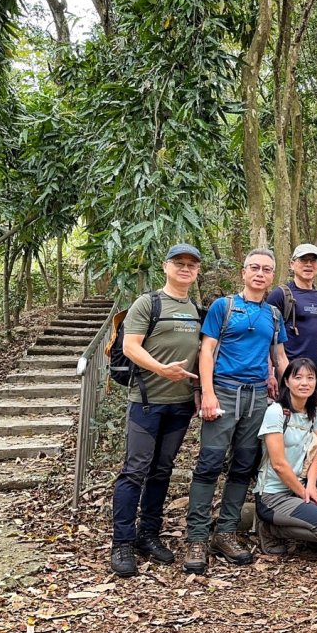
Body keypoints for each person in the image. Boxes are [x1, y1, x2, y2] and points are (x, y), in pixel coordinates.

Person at [182, 248, 289, 575]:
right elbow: (207, 351)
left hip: (256, 397)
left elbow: (280, 358)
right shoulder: (223, 306)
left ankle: (226, 532)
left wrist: (295, 395)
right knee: (210, 462)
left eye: (266, 269)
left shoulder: (273, 315)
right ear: (243, 272)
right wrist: (208, 393)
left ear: (272, 276)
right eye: (254, 267)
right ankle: (197, 537)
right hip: (225, 393)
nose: (260, 273)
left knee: (243, 465)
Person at [109, 244, 203, 577]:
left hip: (180, 405)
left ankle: (148, 534)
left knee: (162, 470)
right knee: (135, 470)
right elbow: (129, 346)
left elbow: (199, 356)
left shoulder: (197, 310)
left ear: (197, 271)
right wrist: (162, 369)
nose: (185, 268)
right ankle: (122, 542)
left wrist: (197, 392)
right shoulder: (148, 303)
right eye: (179, 263)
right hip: (146, 402)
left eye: (191, 264)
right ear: (166, 267)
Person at [253, 357, 317, 559]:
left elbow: (313, 453)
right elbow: (279, 465)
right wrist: (304, 493)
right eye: (298, 378)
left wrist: (312, 486)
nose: (304, 383)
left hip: (300, 485)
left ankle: (313, 528)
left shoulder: (314, 412)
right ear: (287, 381)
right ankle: (271, 530)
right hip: (273, 495)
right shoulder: (276, 412)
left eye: (310, 377)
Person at [267, 244, 317, 417]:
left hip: (316, 373)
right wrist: (270, 373)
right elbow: (267, 337)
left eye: (313, 261)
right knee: (289, 421)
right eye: (303, 260)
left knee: (316, 419)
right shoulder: (281, 295)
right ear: (292, 264)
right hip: (290, 372)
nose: (308, 264)